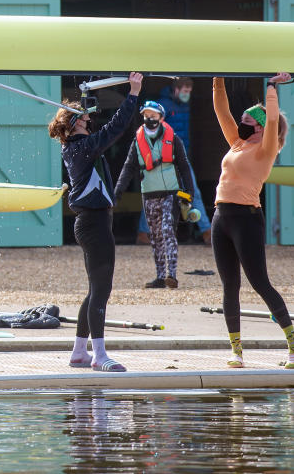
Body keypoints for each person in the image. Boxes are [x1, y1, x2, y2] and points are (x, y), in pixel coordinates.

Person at [47, 72, 142, 372]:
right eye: (86, 121)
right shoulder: (81, 148)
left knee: (94, 290)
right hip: (95, 225)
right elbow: (115, 128)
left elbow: (101, 124)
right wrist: (133, 94)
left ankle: (79, 352)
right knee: (101, 290)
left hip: (92, 223)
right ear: (75, 125)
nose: (91, 123)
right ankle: (100, 355)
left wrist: (89, 100)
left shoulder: (77, 146)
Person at [211, 73, 294, 369]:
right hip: (221, 217)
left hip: (246, 219)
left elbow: (274, 120)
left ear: (260, 127)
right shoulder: (237, 143)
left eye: (247, 120)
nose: (240, 123)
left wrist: (271, 87)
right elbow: (221, 111)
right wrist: (217, 78)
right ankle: (236, 351)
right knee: (230, 285)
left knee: (260, 283)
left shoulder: (266, 149)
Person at [115, 100, 193, 289]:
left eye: (153, 115)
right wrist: (117, 192)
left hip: (170, 193)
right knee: (155, 236)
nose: (149, 118)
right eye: (146, 115)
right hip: (149, 193)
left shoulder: (173, 139)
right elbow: (128, 167)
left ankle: (171, 275)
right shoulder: (137, 141)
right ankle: (160, 277)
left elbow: (183, 165)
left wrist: (189, 192)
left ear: (161, 117)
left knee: (168, 230)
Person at [137, 78, 212, 244]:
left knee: (193, 193)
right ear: (176, 89)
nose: (187, 94)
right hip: (163, 158)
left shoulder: (184, 106)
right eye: (185, 90)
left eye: (189, 91)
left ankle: (207, 231)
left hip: (180, 157)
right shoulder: (163, 106)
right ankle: (144, 233)